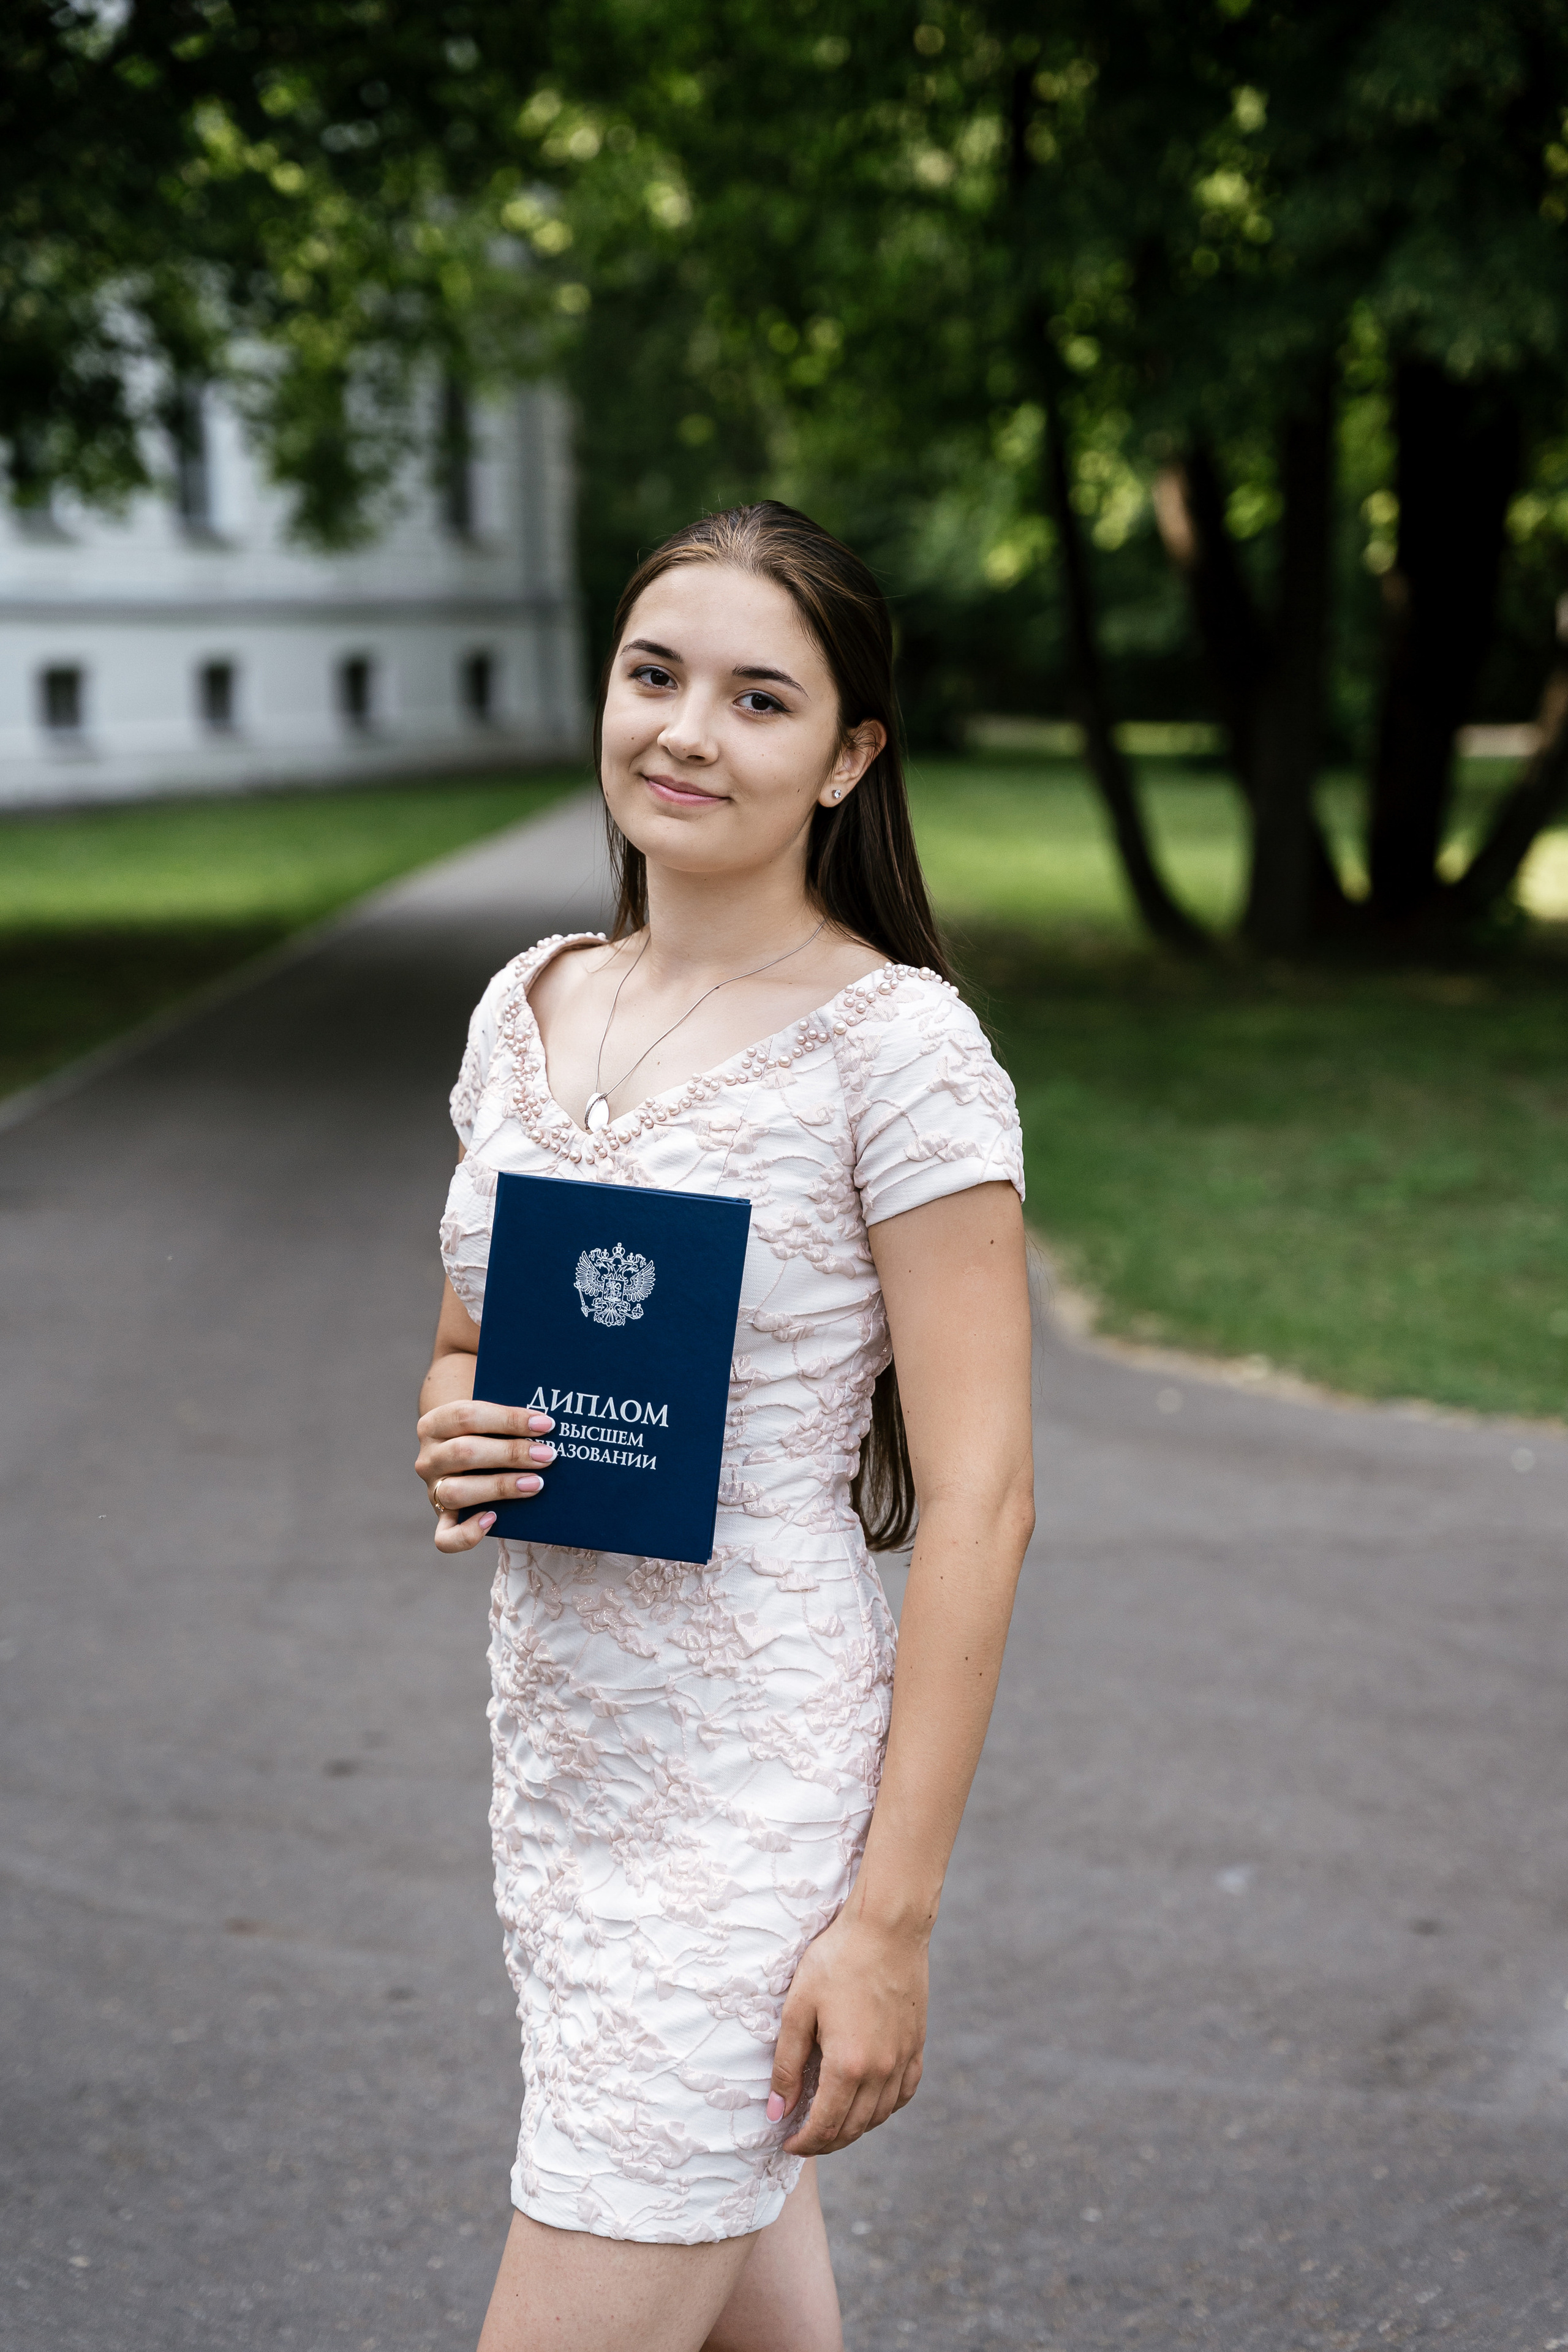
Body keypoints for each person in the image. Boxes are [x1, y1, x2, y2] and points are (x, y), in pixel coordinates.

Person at [415, 502, 1035, 2352]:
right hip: (562, 1772)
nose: (685, 731)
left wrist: (888, 1925)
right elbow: (458, 1345)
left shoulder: (897, 1048)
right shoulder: (529, 1005)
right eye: (652, 674)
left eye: (759, 698)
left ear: (849, 755)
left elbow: (987, 1495)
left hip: (753, 1806)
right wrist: (455, 1428)